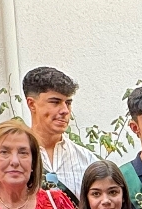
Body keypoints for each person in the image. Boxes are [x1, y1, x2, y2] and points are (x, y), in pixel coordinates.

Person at [23, 66, 99, 201]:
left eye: (68, 103)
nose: (65, 110)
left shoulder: (88, 161)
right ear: (31, 104)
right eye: (55, 102)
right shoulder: (14, 160)